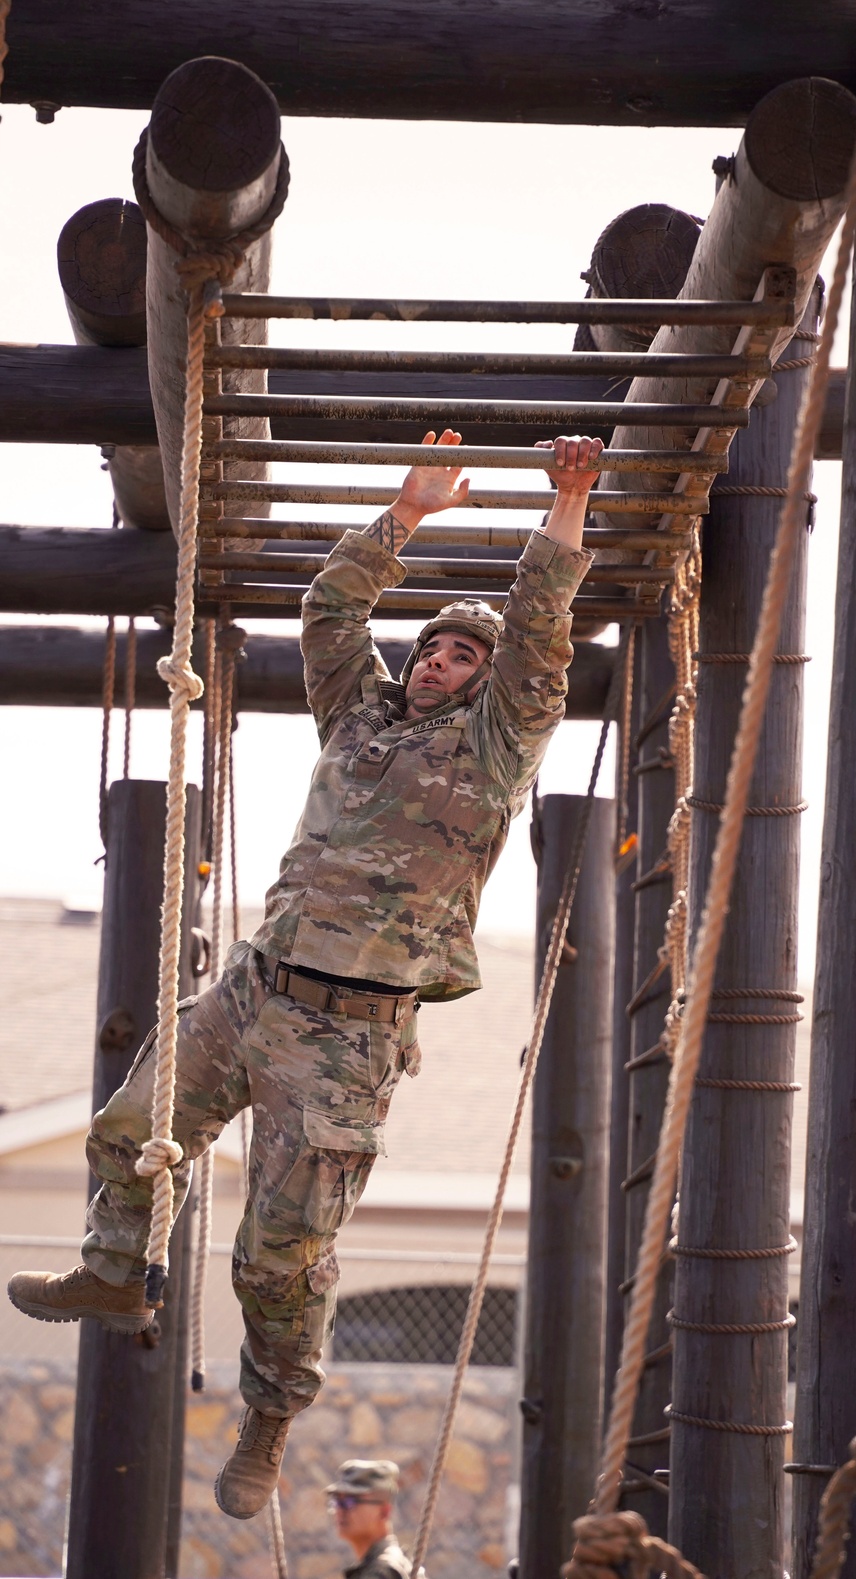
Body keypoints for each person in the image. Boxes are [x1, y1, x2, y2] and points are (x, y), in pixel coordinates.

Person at [8, 428, 604, 1519]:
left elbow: (539, 638)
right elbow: (330, 612)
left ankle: (272, 1418)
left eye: (463, 657)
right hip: (254, 984)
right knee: (130, 1122)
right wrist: (406, 515)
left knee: (276, 1260)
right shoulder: (360, 721)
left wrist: (563, 505)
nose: (441, 661)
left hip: (348, 1033)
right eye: (434, 647)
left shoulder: (492, 748)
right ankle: (110, 1264)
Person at [327, 1460, 411, 1579]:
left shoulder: (382, 1572)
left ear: (384, 1512)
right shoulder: (391, 1563)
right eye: (337, 1502)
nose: (340, 1510)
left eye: (350, 1502)